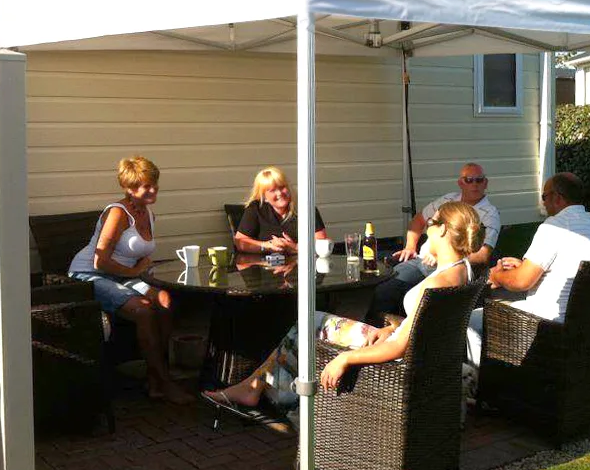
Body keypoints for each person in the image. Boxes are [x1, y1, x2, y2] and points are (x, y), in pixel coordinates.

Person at [203, 201, 485, 418]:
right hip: (422, 356)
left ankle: (265, 392)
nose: (426, 228)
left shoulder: (433, 284)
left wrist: (347, 360)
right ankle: (264, 389)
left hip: (401, 363)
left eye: (431, 223)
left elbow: (400, 349)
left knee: (308, 326)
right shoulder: (464, 271)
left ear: (444, 230)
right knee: (311, 324)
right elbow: (424, 326)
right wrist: (391, 327)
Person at [68, 156, 190, 404]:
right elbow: (99, 262)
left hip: (122, 276)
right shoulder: (118, 213)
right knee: (144, 311)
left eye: (154, 183)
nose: (153, 189)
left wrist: (144, 275)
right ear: (130, 188)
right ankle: (164, 381)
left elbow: (138, 258)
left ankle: (154, 377)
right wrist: (135, 274)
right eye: (146, 185)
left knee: (165, 299)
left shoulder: (149, 214)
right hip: (90, 275)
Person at [465, 172, 590, 366]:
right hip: (589, 321)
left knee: (466, 321)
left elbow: (521, 282)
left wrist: (497, 276)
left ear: (557, 198)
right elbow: (568, 266)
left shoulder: (556, 226)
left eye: (544, 196)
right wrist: (526, 266)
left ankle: (481, 383)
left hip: (548, 321)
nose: (543, 202)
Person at [365, 162, 501, 325]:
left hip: (447, 267)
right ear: (460, 183)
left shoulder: (489, 214)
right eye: (469, 180)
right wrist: (410, 246)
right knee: (385, 288)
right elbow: (418, 220)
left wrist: (444, 257)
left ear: (486, 183)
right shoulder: (448, 200)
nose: (474, 184)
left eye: (479, 180)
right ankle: (377, 327)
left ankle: (385, 330)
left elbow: (483, 255)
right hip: (422, 259)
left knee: (401, 295)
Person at [233, 166, 328, 254]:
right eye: (272, 190)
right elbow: (240, 242)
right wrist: (267, 246)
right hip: (264, 267)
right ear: (264, 197)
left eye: (282, 187)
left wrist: (295, 248)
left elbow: (321, 241)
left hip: (300, 267)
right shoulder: (256, 209)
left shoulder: (306, 208)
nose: (279, 193)